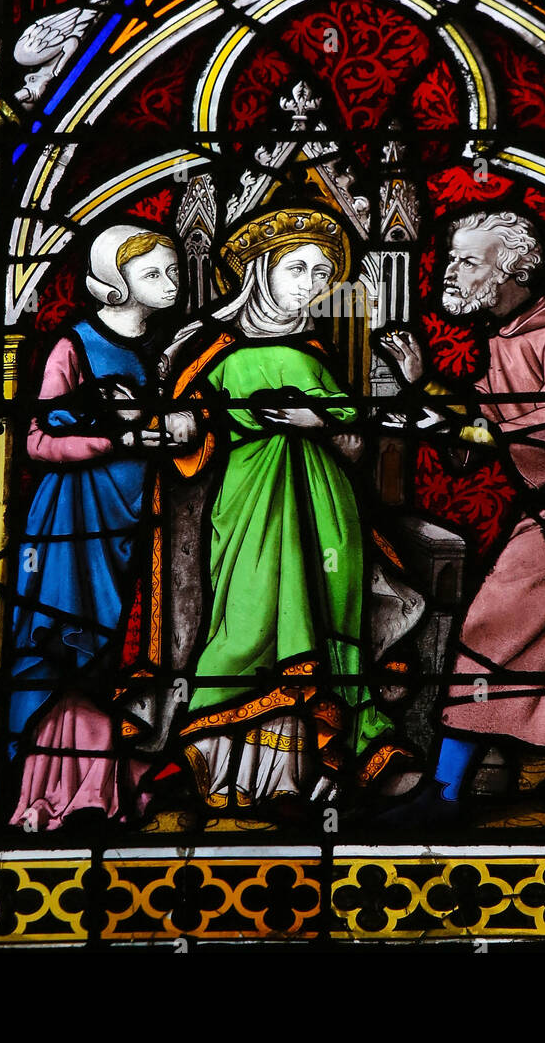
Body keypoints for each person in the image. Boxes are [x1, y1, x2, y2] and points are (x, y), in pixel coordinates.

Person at [380, 209, 545, 823]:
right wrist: (428, 392)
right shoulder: (509, 332)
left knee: (488, 631)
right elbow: (491, 423)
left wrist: (465, 424)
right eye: (452, 258)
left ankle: (444, 792)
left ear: (513, 270)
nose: (450, 272)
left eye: (467, 261)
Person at [171, 207, 410, 815]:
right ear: (259, 272)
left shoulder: (313, 354)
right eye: (296, 268)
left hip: (324, 514)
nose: (309, 284)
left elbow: (356, 442)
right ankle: (225, 770)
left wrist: (320, 419)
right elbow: (182, 445)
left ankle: (295, 777)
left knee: (317, 627)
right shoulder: (208, 350)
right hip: (245, 511)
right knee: (245, 631)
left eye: (321, 274)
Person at [8, 224, 192, 831]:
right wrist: (118, 438)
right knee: (71, 644)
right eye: (153, 274)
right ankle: (59, 793)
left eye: (172, 271)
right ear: (114, 282)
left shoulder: (178, 349)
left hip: (155, 515)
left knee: (140, 652)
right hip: (77, 515)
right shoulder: (76, 345)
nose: (169, 284)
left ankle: (119, 786)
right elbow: (37, 440)